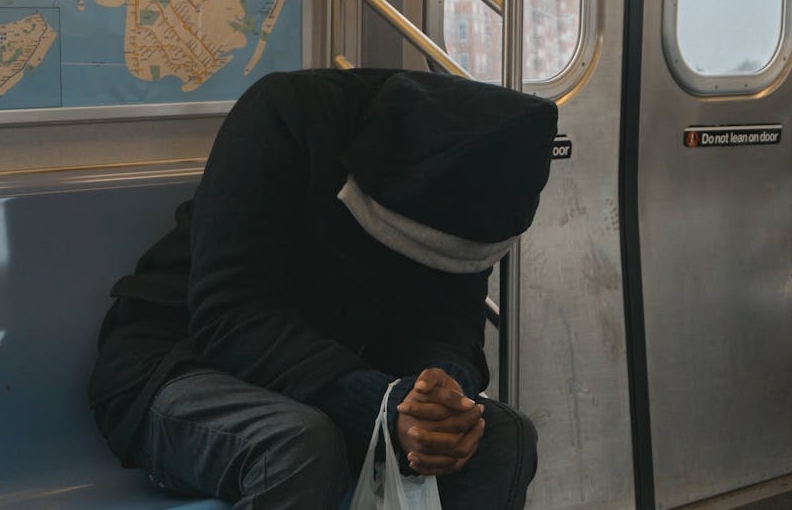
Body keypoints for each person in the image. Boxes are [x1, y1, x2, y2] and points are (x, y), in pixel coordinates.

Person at [87, 68, 558, 509]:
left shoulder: (483, 179)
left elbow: (448, 316)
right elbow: (229, 314)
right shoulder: (285, 114)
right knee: (300, 442)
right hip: (180, 364)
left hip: (347, 374)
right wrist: (381, 404)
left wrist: (444, 395)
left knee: (503, 438)